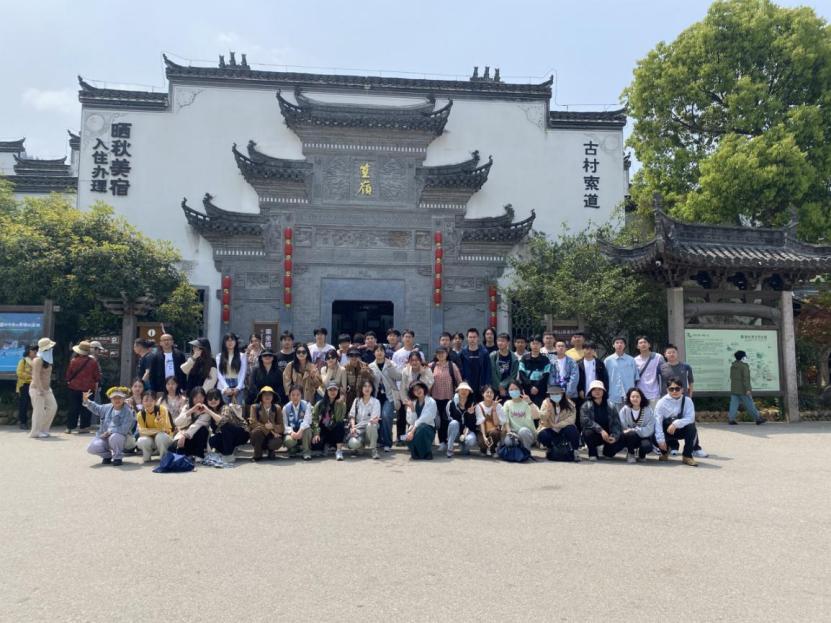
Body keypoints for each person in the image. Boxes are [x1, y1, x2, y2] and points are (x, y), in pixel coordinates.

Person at [84, 386, 136, 466]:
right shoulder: (106, 407)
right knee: (91, 448)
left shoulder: (128, 411)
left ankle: (117, 457)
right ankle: (107, 456)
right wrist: (86, 400)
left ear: (124, 398)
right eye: (114, 398)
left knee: (115, 436)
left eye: (119, 398)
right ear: (110, 399)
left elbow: (124, 429)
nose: (117, 400)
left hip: (124, 439)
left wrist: (110, 432)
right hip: (105, 437)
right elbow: (96, 408)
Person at [654, 377, 699, 466]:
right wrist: (660, 440)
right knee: (655, 432)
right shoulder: (661, 402)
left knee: (691, 427)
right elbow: (657, 422)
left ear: (682, 389)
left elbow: (690, 418)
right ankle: (664, 452)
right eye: (671, 389)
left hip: (681, 429)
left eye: (677, 389)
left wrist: (675, 424)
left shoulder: (688, 401)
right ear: (667, 390)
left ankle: (687, 456)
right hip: (667, 430)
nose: (674, 391)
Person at [368, 343, 402, 452]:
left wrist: (390, 367)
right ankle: (379, 441)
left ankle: (387, 442)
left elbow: (399, 376)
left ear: (384, 352)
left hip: (389, 396)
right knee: (376, 418)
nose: (379, 353)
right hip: (376, 396)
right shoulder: (370, 366)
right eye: (377, 351)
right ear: (374, 353)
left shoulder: (391, 364)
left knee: (386, 416)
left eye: (381, 350)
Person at [580, 380, 624, 461]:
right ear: (590, 392)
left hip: (609, 435)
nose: (597, 392)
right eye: (594, 389)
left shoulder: (611, 405)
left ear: (604, 391)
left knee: (623, 437)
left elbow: (616, 423)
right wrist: (601, 430)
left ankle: (607, 451)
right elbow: (585, 421)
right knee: (587, 432)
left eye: (600, 389)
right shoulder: (586, 405)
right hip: (596, 434)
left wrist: (614, 436)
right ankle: (592, 453)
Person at [65, 341, 102, 434]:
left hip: (74, 388)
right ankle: (84, 427)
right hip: (88, 389)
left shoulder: (73, 361)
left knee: (73, 408)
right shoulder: (93, 362)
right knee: (86, 408)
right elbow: (97, 376)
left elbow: (68, 375)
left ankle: (70, 427)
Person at [429, 346, 462, 451]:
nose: (441, 355)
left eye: (443, 353)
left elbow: (459, 381)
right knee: (437, 420)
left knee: (446, 420)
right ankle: (441, 441)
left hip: (448, 398)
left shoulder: (452, 366)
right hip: (435, 398)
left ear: (447, 354)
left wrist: (460, 395)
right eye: (438, 353)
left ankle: (448, 441)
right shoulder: (432, 366)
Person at [537, 385, 580, 461]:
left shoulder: (570, 404)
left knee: (572, 430)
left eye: (557, 394)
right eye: (552, 394)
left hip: (563, 428)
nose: (554, 396)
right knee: (543, 434)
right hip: (549, 428)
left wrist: (556, 425)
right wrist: (548, 411)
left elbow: (571, 420)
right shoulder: (546, 402)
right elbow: (542, 419)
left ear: (562, 394)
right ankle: (550, 448)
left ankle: (575, 451)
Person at [205, 388, 249, 462]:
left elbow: (223, 421)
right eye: (210, 398)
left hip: (241, 434)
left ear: (220, 398)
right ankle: (229, 450)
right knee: (212, 440)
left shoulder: (225, 407)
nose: (213, 400)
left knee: (225, 426)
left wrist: (209, 411)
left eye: (216, 398)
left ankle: (228, 454)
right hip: (228, 436)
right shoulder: (208, 410)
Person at [400, 351, 434, 443]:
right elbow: (403, 388)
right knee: (411, 420)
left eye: (416, 360)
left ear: (420, 360)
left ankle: (427, 439)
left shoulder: (427, 370)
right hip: (411, 400)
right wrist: (405, 402)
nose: (414, 362)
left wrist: (423, 374)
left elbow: (429, 385)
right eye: (412, 360)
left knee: (423, 419)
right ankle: (410, 440)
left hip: (424, 400)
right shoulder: (405, 371)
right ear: (409, 361)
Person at [171, 387, 212, 459]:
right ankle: (187, 455)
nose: (198, 400)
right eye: (195, 397)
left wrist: (184, 436)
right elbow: (177, 422)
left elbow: (197, 425)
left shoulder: (207, 410)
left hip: (197, 437)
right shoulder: (187, 407)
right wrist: (191, 411)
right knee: (172, 448)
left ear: (204, 398)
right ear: (192, 398)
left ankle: (199, 455)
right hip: (184, 434)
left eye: (201, 397)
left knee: (202, 430)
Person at [135, 390, 174, 463]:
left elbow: (166, 430)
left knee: (161, 436)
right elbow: (142, 432)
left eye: (151, 400)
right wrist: (157, 430)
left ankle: (164, 458)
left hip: (166, 439)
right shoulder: (140, 414)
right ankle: (147, 457)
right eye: (146, 400)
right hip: (151, 439)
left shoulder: (162, 410)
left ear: (155, 401)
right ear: (142, 402)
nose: (148, 403)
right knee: (142, 440)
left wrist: (158, 423)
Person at [728, 350, 766, 425]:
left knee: (733, 405)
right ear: (743, 357)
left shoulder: (733, 366)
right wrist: (748, 389)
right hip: (743, 389)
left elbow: (731, 377)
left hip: (734, 388)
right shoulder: (744, 366)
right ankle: (758, 418)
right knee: (750, 404)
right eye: (745, 356)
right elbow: (746, 378)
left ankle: (731, 419)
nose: (746, 357)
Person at [29, 338, 57, 439]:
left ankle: (43, 429)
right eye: (50, 347)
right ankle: (35, 432)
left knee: (53, 407)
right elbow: (35, 376)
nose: (52, 349)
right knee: (38, 411)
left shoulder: (48, 360)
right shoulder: (37, 360)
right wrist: (40, 389)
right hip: (37, 389)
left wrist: (46, 389)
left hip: (47, 389)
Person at [618, 387, 655, 463]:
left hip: (643, 436)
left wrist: (634, 430)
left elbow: (650, 428)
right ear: (629, 398)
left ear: (641, 398)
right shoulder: (625, 410)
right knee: (631, 434)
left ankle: (641, 455)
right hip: (629, 438)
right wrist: (630, 431)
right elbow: (622, 426)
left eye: (637, 396)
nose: (635, 399)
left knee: (647, 447)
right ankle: (631, 453)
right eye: (633, 397)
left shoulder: (648, 410)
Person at [312, 382, 348, 460]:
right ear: (326, 391)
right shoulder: (320, 404)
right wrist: (316, 433)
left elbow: (339, 420)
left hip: (335, 431)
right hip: (323, 430)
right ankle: (327, 444)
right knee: (315, 445)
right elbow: (314, 419)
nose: (332, 392)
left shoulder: (342, 404)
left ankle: (338, 450)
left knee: (340, 425)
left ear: (338, 391)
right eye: (330, 390)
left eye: (335, 390)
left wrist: (338, 405)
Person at [347, 379, 381, 459]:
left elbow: (373, 420)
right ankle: (360, 445)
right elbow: (352, 416)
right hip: (358, 430)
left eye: (369, 386)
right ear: (361, 388)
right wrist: (353, 427)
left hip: (369, 431)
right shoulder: (357, 401)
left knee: (371, 425)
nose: (367, 388)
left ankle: (373, 449)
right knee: (352, 444)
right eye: (365, 386)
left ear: (372, 389)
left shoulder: (376, 402)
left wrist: (359, 426)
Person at [404, 380, 438, 460]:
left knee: (422, 429)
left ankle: (427, 453)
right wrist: (412, 409)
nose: (418, 391)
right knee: (406, 437)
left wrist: (412, 432)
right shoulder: (412, 403)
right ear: (413, 393)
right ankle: (417, 453)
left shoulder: (431, 402)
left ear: (423, 388)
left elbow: (424, 419)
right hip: (414, 428)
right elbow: (411, 421)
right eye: (415, 390)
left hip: (428, 429)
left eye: (419, 388)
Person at [248, 386, 283, 461]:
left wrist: (273, 426)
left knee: (278, 440)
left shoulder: (277, 408)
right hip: (259, 436)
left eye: (270, 394)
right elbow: (253, 423)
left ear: (273, 397)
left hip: (271, 437)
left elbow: (281, 426)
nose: (267, 396)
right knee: (257, 432)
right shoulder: (254, 407)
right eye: (265, 394)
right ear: (261, 397)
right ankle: (257, 454)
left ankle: (271, 450)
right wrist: (269, 429)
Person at [502, 380, 538, 451]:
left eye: (516, 389)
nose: (514, 391)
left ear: (520, 390)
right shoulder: (507, 404)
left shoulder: (526, 403)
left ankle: (526, 451)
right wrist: (509, 432)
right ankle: (518, 451)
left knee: (523, 431)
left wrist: (530, 402)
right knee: (508, 442)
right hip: (513, 433)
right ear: (508, 391)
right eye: (511, 390)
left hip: (527, 433)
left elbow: (537, 416)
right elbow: (506, 420)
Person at [445, 381, 479, 458]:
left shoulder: (473, 405)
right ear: (458, 391)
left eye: (466, 390)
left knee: (470, 443)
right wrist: (461, 428)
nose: (464, 391)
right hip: (455, 433)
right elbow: (448, 420)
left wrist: (471, 415)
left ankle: (463, 446)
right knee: (453, 423)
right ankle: (450, 448)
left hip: (467, 433)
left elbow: (474, 425)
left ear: (469, 392)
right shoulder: (451, 403)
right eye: (462, 389)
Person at [604, 336, 639, 410]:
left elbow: (636, 377)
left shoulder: (631, 360)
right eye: (617, 343)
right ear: (613, 345)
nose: (619, 344)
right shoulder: (608, 360)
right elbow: (604, 378)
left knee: (629, 415)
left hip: (629, 394)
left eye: (621, 343)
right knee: (614, 415)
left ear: (624, 345)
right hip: (613, 394)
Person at [518, 335, 551, 408]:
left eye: (537, 343)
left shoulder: (545, 360)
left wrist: (537, 387)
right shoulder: (524, 358)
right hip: (526, 390)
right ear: (530, 345)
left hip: (540, 390)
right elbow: (521, 374)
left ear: (541, 345)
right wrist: (530, 387)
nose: (535, 346)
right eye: (533, 343)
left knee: (539, 410)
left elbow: (546, 375)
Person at [460, 327, 492, 399]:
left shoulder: (484, 353)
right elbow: (459, 370)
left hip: (481, 386)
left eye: (474, 337)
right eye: (470, 337)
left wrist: (487, 385)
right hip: (467, 387)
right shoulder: (463, 353)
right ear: (467, 338)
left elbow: (488, 370)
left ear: (478, 338)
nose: (472, 339)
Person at [282, 384, 313, 460]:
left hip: (303, 431)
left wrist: (300, 431)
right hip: (292, 432)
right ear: (289, 396)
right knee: (288, 441)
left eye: (298, 395)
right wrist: (291, 432)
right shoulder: (286, 408)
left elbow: (307, 421)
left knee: (307, 429)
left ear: (301, 395)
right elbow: (284, 425)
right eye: (293, 395)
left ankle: (306, 452)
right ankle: (294, 449)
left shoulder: (306, 405)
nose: (295, 397)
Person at [216, 332, 247, 406]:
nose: (230, 342)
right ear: (224, 342)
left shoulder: (242, 356)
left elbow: (243, 373)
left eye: (232, 340)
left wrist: (238, 388)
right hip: (224, 386)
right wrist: (226, 387)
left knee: (237, 409)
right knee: (225, 409)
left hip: (238, 385)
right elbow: (219, 373)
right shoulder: (219, 356)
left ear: (235, 342)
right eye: (227, 340)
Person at [476, 385, 505, 456]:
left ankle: (493, 449)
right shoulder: (479, 406)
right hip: (483, 430)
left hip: (493, 430)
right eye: (487, 392)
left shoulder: (498, 406)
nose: (489, 394)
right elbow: (481, 422)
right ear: (483, 394)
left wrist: (494, 409)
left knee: (495, 433)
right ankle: (483, 449)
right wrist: (484, 437)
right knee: (482, 442)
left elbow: (497, 423)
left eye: (491, 392)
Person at [634, 336, 665, 402]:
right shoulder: (634, 360)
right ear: (637, 346)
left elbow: (664, 374)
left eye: (645, 342)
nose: (643, 344)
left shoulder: (658, 357)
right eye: (640, 343)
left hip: (655, 394)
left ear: (649, 345)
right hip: (640, 394)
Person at [490, 332, 519, 399]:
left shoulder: (514, 358)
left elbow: (513, 375)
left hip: (509, 389)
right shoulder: (493, 356)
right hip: (495, 389)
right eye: (498, 341)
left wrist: (503, 385)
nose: (500, 343)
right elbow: (492, 373)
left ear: (508, 342)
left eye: (503, 341)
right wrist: (499, 386)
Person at [15, 344, 37, 430]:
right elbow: (19, 373)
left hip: (34, 384)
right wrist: (31, 376)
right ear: (29, 352)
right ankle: (22, 422)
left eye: (35, 351)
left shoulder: (36, 361)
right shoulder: (23, 361)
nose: (35, 352)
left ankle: (34, 423)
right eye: (33, 351)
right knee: (24, 404)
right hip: (24, 385)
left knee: (34, 404)